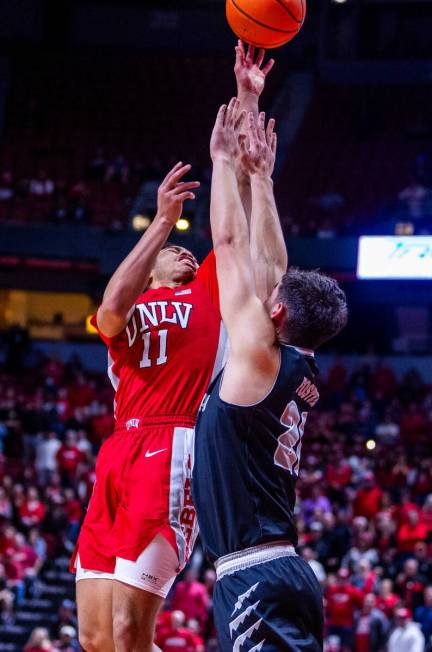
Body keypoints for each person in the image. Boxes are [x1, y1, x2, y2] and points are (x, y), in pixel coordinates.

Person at [73, 42, 278, 652]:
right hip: (119, 448)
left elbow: (236, 204)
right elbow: (110, 309)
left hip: (174, 441)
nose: (186, 252)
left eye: (188, 246)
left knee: (131, 632)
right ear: (151, 260)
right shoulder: (128, 305)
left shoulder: (211, 292)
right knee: (95, 640)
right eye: (173, 248)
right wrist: (161, 221)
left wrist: (246, 96)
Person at [192, 98, 348, 651]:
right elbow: (274, 268)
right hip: (276, 570)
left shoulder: (261, 356)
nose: (266, 293)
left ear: (276, 313)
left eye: (270, 300)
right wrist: (262, 179)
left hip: (256, 575)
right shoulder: (297, 364)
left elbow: (233, 247)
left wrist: (222, 163)